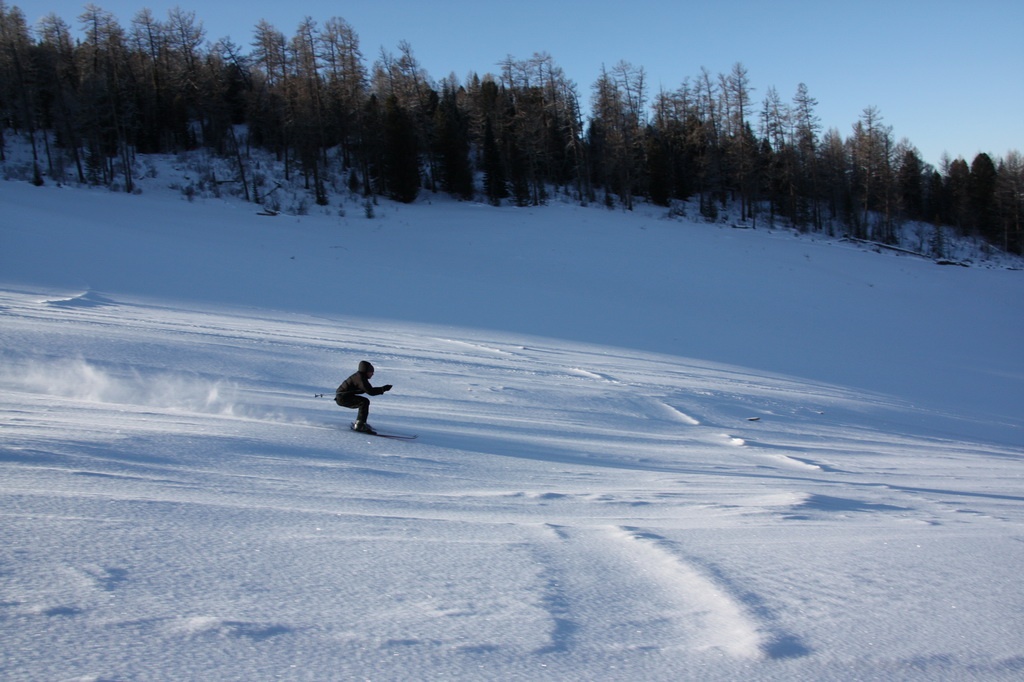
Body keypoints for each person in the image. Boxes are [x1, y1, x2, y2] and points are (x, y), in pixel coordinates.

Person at [335, 360, 392, 434]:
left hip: (343, 397)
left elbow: (367, 389)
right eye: (371, 372)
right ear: (366, 371)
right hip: (342, 398)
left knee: (364, 401)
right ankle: (360, 425)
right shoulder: (360, 379)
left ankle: (361, 423)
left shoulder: (360, 376)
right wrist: (383, 389)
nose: (372, 374)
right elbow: (370, 391)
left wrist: (382, 389)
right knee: (364, 402)